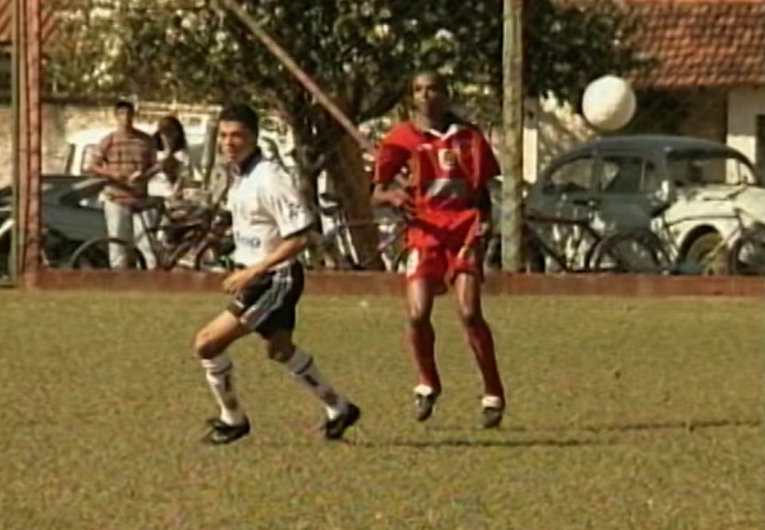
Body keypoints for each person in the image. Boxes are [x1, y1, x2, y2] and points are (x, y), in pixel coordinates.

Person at [193, 103, 361, 445]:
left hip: (274, 278)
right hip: (261, 275)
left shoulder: (271, 178)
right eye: (223, 136)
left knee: (207, 343)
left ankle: (233, 419)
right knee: (280, 350)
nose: (228, 142)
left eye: (237, 135)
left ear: (254, 137)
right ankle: (339, 408)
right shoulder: (241, 176)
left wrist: (253, 270)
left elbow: (300, 237)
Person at [372, 71, 506, 429]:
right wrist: (393, 196)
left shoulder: (469, 136)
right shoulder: (401, 138)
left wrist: (486, 223)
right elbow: (377, 191)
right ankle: (428, 382)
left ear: (446, 94)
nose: (425, 95)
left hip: (464, 229)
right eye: (418, 90)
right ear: (411, 97)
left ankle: (493, 391)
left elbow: (483, 191)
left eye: (432, 89)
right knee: (417, 313)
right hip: (425, 232)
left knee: (469, 311)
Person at [87, 100, 158, 269]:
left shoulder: (145, 140)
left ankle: (150, 275)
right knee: (117, 242)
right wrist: (112, 174)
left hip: (140, 199)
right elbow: (92, 166)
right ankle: (118, 275)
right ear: (116, 116)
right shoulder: (108, 141)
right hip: (116, 198)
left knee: (146, 242)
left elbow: (156, 165)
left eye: (129, 114)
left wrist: (144, 176)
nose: (125, 118)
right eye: (122, 114)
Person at [149, 115, 192, 201]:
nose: (167, 137)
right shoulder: (153, 150)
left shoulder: (181, 154)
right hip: (153, 193)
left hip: (170, 194)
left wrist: (169, 150)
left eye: (171, 132)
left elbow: (180, 176)